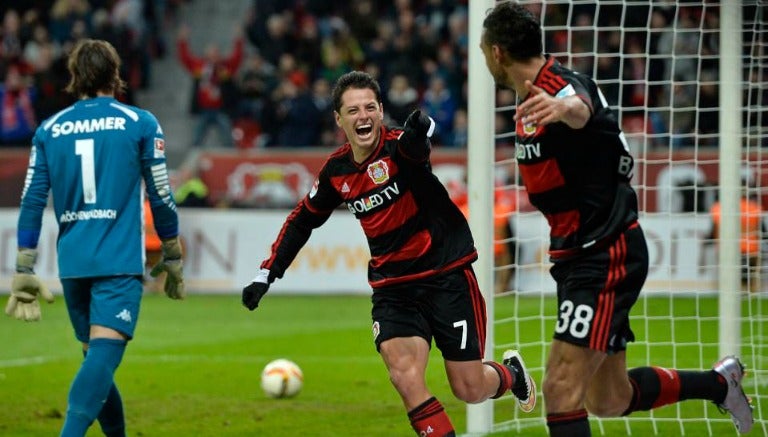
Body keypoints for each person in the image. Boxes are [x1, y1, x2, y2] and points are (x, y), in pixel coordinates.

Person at [479, 3, 753, 436]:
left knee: (560, 385)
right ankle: (721, 384)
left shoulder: (559, 87)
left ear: (495, 53)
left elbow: (580, 108)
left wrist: (564, 109)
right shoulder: (536, 96)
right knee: (609, 398)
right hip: (579, 255)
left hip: (604, 254)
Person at [241, 70, 535, 437]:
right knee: (405, 377)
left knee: (469, 388)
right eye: (352, 110)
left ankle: (510, 374)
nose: (362, 116)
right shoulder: (337, 171)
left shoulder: (400, 148)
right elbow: (303, 221)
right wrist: (267, 273)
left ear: (381, 111)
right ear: (339, 119)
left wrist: (420, 133)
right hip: (394, 288)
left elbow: (416, 151)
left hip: (446, 276)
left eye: (369, 108)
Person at [5, 39, 184, 437]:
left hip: (73, 263)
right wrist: (172, 251)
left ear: (75, 77)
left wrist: (23, 265)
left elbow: (32, 200)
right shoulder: (140, 122)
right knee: (101, 360)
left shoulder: (50, 129)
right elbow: (161, 194)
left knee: (95, 360)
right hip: (117, 261)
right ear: (116, 75)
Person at [177, 24, 243, 148]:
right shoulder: (199, 66)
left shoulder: (225, 67)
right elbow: (185, 59)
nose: (213, 55)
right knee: (196, 141)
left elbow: (237, 58)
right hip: (203, 110)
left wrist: (238, 39)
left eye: (216, 52)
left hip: (221, 109)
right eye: (211, 53)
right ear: (206, 54)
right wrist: (182, 41)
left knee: (228, 141)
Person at [708, 192, 766, 293]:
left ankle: (732, 296)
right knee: (751, 278)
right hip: (751, 249)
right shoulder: (754, 207)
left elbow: (714, 231)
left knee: (731, 277)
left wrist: (707, 241)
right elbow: (762, 231)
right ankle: (751, 294)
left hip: (727, 250)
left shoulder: (718, 207)